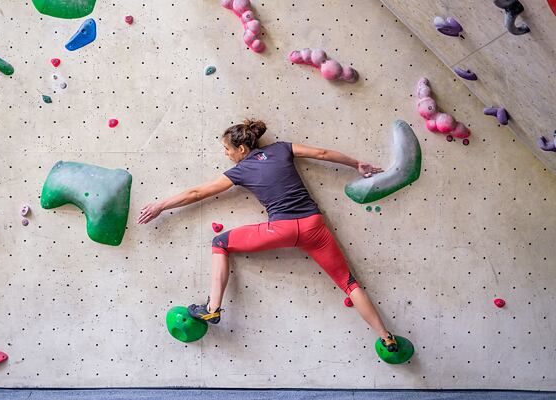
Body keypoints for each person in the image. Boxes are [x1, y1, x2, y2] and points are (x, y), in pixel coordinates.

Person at [137, 119, 398, 351]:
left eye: (227, 149)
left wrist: (161, 205)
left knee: (220, 243)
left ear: (242, 149)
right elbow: (321, 152)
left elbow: (198, 193)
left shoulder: (239, 171)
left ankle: (212, 309)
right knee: (349, 283)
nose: (226, 154)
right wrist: (356, 164)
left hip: (281, 230)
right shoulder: (282, 148)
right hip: (313, 227)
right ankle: (386, 338)